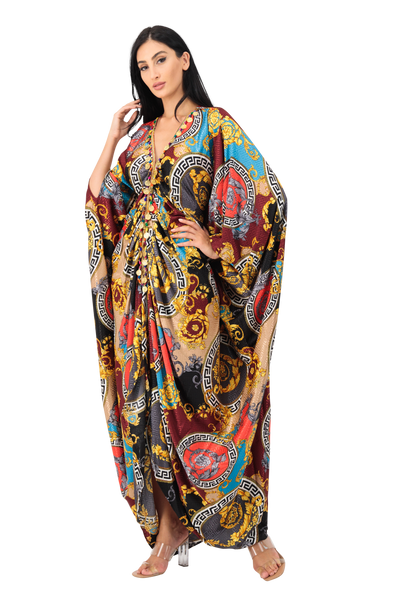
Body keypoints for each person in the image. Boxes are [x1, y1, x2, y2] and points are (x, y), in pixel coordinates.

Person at [82, 22, 290, 583]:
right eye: (142, 67)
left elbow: (270, 200)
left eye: (160, 60)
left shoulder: (218, 127)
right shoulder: (138, 135)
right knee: (146, 409)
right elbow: (98, 199)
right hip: (133, 294)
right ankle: (169, 533)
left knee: (211, 404)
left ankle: (255, 530)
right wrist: (111, 133)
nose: (152, 74)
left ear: (184, 59)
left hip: (192, 299)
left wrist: (215, 243)